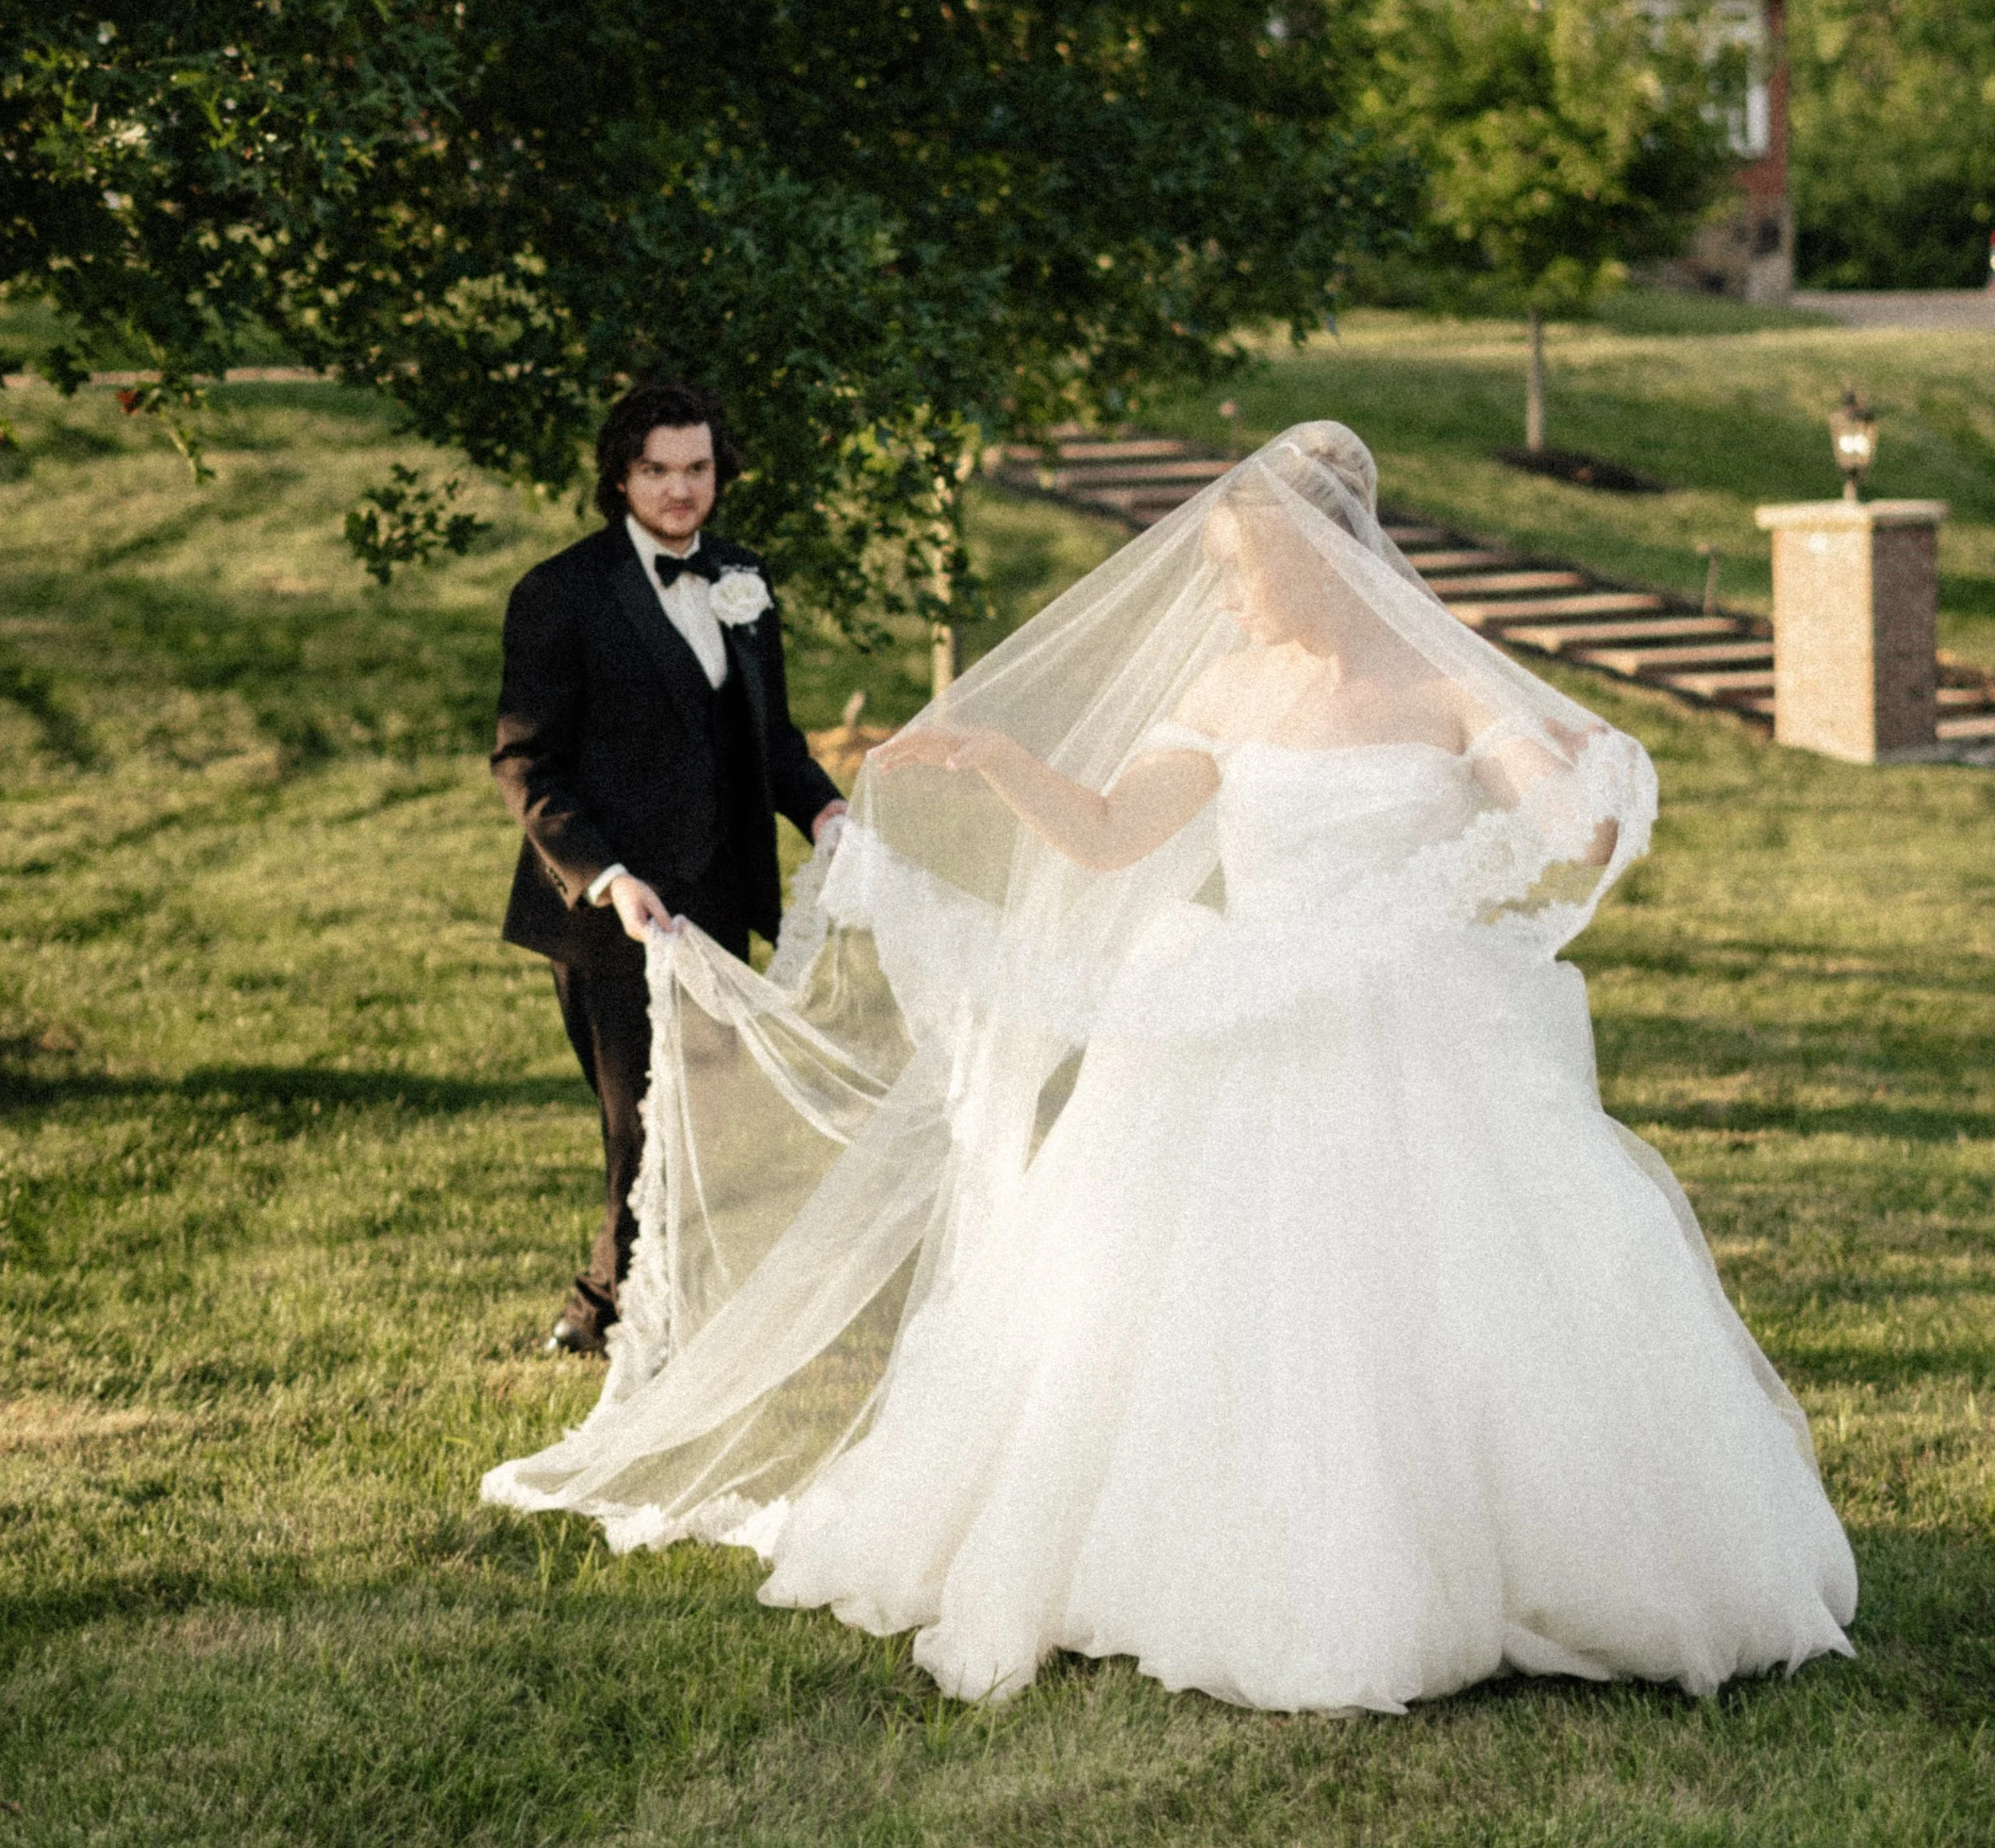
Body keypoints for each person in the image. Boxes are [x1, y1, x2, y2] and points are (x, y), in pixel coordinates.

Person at [485, 421, 1857, 1711]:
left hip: (1410, 1028)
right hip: (1228, 1011)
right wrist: (995, 756)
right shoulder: (1226, 684)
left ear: (1320, 559)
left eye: (1243, 571)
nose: (1230, 598)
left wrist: (1575, 798)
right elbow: (1108, 831)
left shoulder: (1443, 681)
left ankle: (1500, 1546)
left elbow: (1562, 813)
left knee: (1451, 1292)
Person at [491, 377, 845, 1357]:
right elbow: (526, 762)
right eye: (657, 470)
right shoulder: (560, 593)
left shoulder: (742, 579)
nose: (680, 490)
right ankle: (610, 1312)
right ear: (621, 474)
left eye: (696, 469)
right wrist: (607, 877)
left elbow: (767, 735)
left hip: (719, 891)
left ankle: (632, 1304)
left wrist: (820, 804)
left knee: (710, 1113)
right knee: (641, 1121)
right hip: (612, 906)